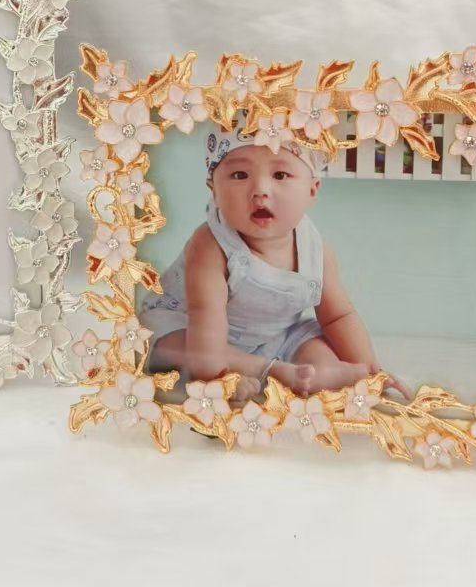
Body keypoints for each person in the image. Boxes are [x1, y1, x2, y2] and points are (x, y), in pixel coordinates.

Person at [139, 122, 411, 401]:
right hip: (194, 326)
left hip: (274, 335)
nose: (260, 190)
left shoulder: (315, 250)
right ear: (214, 190)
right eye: (240, 175)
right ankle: (270, 372)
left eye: (280, 174)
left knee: (316, 345)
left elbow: (338, 316)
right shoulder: (210, 245)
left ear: (312, 190)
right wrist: (214, 378)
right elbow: (205, 321)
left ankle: (320, 374)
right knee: (184, 347)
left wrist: (371, 372)